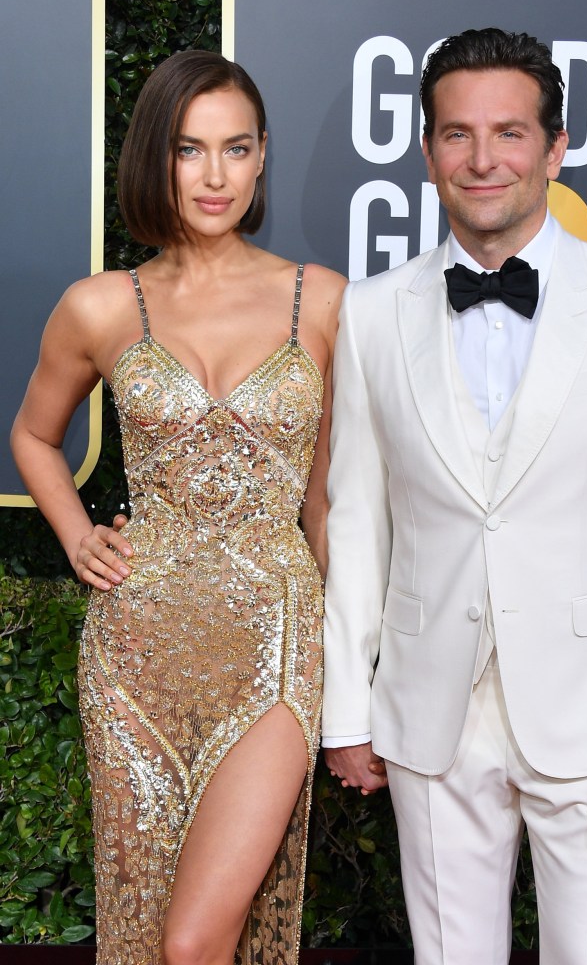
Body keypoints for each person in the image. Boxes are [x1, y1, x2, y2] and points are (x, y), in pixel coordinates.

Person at [321, 28, 587, 964]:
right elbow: (357, 522)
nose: (483, 158)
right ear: (427, 152)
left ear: (555, 148)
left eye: (509, 133)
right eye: (457, 134)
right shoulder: (372, 313)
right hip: (429, 716)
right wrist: (348, 707)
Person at [11, 50, 345, 965]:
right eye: (190, 150)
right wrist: (78, 537)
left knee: (196, 941)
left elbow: (327, 498)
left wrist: (351, 657)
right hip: (135, 656)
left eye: (235, 149)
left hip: (275, 650)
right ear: (157, 158)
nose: (213, 175)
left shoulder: (321, 301)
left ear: (263, 156)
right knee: (144, 929)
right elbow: (34, 436)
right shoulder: (100, 307)